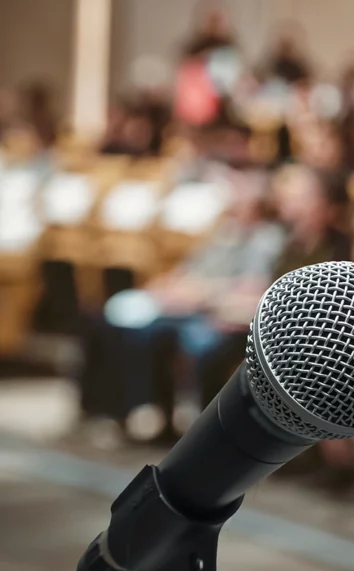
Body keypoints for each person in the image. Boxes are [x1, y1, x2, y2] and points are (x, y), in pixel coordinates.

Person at [81, 168, 287, 442]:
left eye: (241, 195)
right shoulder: (225, 231)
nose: (233, 200)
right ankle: (143, 413)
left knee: (197, 343)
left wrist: (200, 293)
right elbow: (190, 269)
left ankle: (209, 434)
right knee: (127, 329)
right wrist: (166, 289)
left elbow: (252, 287)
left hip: (219, 314)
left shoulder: (266, 239)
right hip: (188, 306)